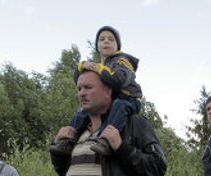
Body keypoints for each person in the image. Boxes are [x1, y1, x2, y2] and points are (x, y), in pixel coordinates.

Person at [50, 25, 142, 157]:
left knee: (119, 106)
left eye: (111, 39)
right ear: (97, 45)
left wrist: (98, 69)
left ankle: (106, 141)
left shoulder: (123, 61)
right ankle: (69, 141)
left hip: (128, 99)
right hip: (110, 100)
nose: (106, 41)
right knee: (83, 110)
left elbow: (120, 80)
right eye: (102, 39)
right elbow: (81, 80)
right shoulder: (101, 66)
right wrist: (81, 67)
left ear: (118, 46)